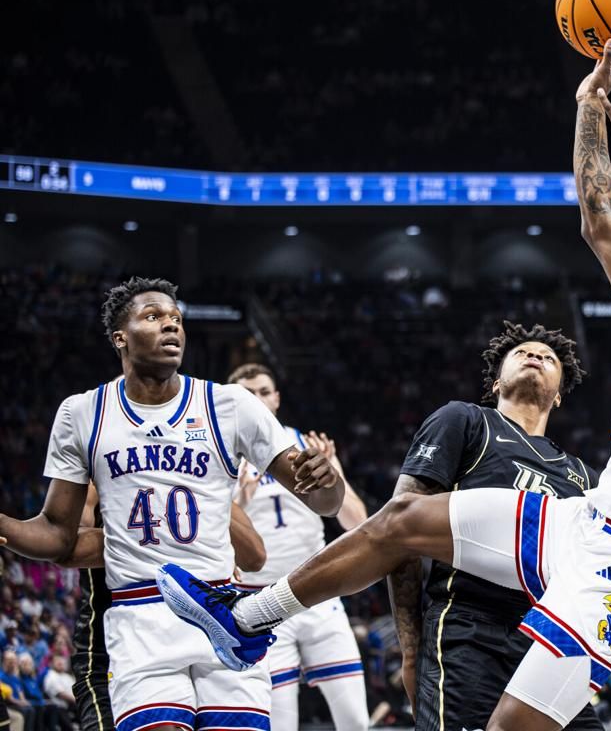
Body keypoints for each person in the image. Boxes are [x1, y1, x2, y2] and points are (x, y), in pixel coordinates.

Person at [157, 51, 611, 731]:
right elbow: (602, 228)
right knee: (401, 523)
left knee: (510, 728)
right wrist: (587, 110)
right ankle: (244, 620)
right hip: (585, 524)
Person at [0, 276, 344, 731]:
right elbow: (55, 533)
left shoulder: (231, 404)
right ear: (120, 337)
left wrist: (327, 479)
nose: (171, 327)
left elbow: (323, 502)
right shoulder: (83, 412)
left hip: (224, 611)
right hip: (140, 616)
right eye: (153, 317)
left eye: (176, 319)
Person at [385, 322, 604, 731]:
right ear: (496, 381)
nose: (536, 356)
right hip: (468, 630)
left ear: (558, 396)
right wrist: (411, 653)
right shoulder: (466, 422)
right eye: (522, 353)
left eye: (549, 357)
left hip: (549, 644)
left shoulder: (585, 479)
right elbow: (398, 532)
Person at [228, 363, 371, 731]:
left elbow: (357, 523)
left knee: (356, 721)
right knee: (280, 724)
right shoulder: (222, 456)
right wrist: (241, 501)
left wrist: (334, 469)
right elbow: (215, 539)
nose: (256, 399)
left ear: (276, 398)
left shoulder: (308, 449)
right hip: (260, 601)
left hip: (317, 594)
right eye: (247, 393)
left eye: (263, 391)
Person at [62, 482, 266, 731]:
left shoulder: (199, 477)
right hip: (113, 643)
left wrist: (211, 525)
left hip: (200, 636)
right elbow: (68, 547)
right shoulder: (98, 476)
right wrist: (170, 542)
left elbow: (255, 557)